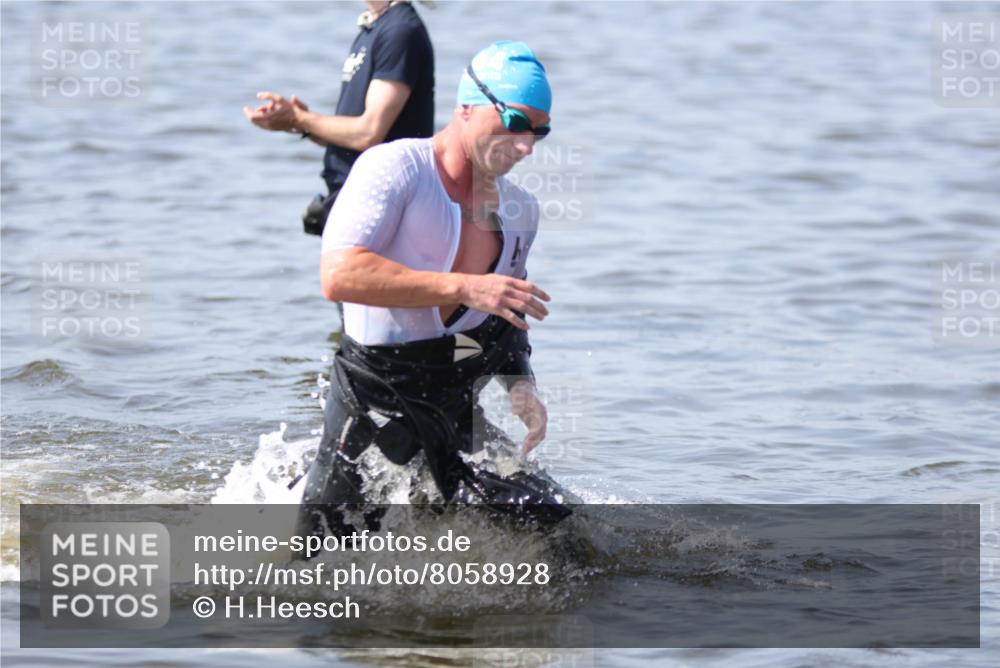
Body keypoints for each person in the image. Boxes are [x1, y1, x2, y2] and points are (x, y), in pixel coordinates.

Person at [294, 41, 569, 548]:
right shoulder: (394, 169)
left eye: (540, 130)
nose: (527, 144)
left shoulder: (520, 211)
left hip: (452, 404)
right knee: (319, 562)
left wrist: (518, 384)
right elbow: (340, 274)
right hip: (374, 397)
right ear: (467, 106)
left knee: (557, 529)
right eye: (515, 121)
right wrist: (465, 286)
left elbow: (501, 318)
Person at [243, 0, 434, 235]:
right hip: (356, 197)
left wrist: (299, 119)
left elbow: (368, 133)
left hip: (383, 201)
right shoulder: (374, 27)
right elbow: (353, 136)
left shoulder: (400, 31)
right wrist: (299, 123)